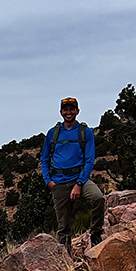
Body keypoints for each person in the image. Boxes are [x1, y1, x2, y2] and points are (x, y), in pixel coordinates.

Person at [40, 96, 105, 245]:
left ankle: (95, 234)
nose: (68, 112)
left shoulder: (85, 132)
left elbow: (89, 160)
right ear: (61, 112)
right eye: (65, 109)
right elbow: (44, 159)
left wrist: (79, 184)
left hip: (79, 179)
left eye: (71, 109)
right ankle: (66, 263)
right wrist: (48, 181)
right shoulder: (53, 133)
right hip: (58, 182)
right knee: (63, 228)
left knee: (98, 198)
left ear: (77, 111)